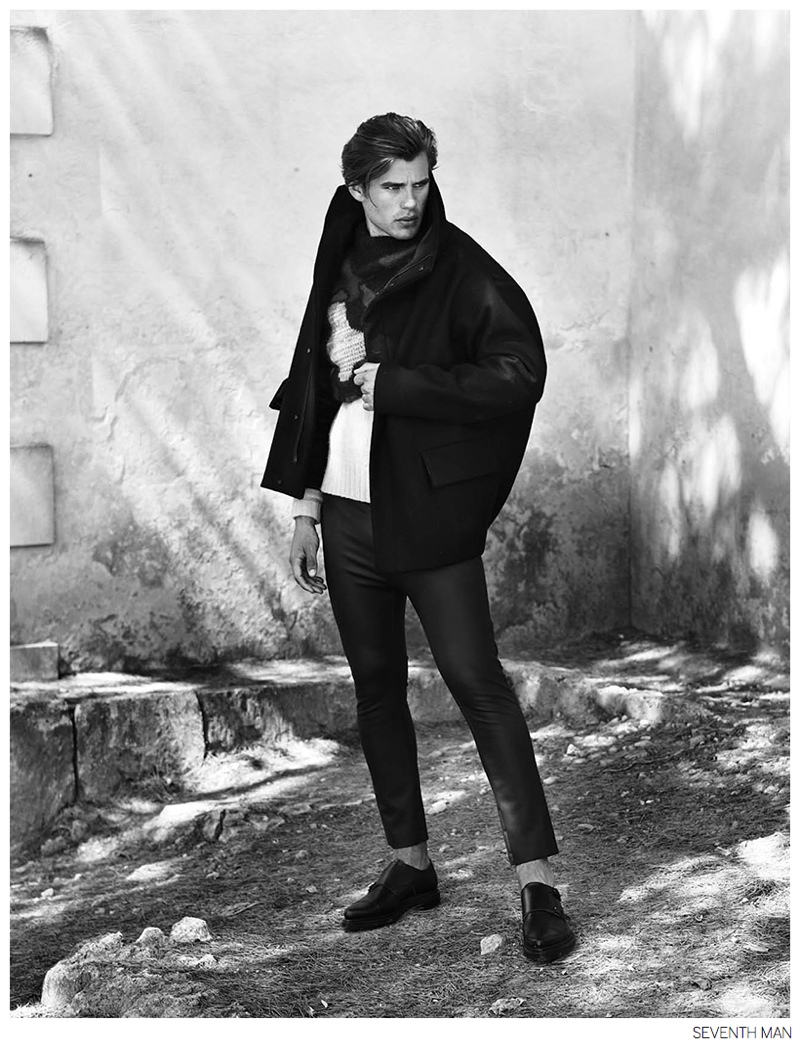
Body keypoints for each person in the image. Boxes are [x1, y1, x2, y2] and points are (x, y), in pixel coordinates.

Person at [261, 113, 575, 963]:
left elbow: (519, 373)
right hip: (347, 517)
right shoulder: (339, 257)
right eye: (392, 187)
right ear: (356, 190)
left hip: (429, 517)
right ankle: (411, 863)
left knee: (479, 685)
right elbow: (314, 384)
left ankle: (538, 882)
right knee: (376, 691)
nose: (410, 201)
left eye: (421, 182)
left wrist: (400, 384)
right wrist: (305, 506)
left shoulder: (462, 269)